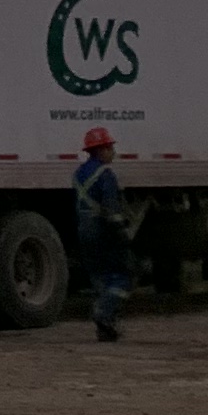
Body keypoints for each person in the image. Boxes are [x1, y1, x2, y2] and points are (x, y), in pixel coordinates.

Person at [74, 124, 133, 340]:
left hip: (84, 231)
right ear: (101, 150)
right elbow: (112, 210)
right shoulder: (105, 174)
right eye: (109, 147)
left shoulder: (79, 174)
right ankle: (104, 314)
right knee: (121, 279)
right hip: (103, 232)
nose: (113, 152)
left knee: (99, 278)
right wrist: (122, 233)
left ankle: (105, 330)